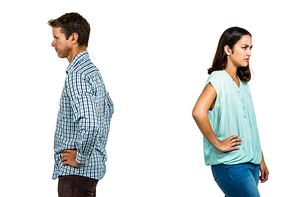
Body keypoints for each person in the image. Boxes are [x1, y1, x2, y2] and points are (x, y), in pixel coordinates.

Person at [192, 27, 269, 197]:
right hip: (231, 164)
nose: (249, 52)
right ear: (227, 49)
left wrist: (261, 159)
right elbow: (198, 112)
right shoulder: (218, 78)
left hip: (252, 163)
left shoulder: (243, 84)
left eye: (250, 48)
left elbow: (250, 125)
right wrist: (218, 144)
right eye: (244, 47)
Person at [48, 12, 114, 197]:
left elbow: (91, 121)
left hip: (76, 175)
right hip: (88, 174)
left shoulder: (77, 75)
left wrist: (82, 157)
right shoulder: (92, 71)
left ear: (73, 38)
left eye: (56, 37)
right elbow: (108, 109)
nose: (52, 43)